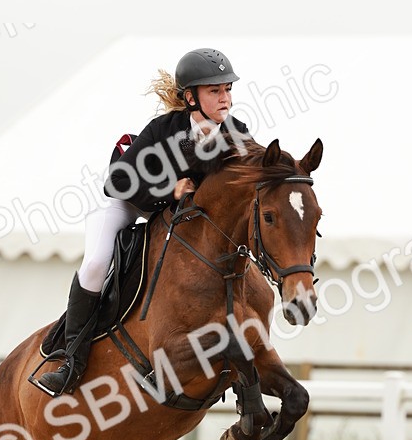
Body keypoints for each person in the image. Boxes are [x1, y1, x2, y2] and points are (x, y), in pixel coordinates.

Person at [35, 48, 251, 396]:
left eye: (227, 89)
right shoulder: (164, 130)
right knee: (94, 264)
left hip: (173, 215)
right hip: (126, 202)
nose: (225, 98)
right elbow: (116, 182)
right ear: (190, 98)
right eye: (215, 91)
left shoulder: (236, 132)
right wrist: (171, 188)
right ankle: (70, 361)